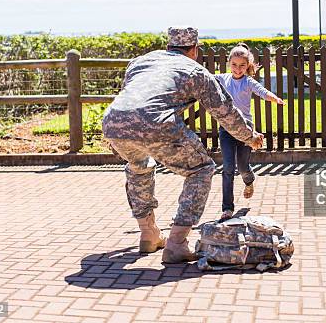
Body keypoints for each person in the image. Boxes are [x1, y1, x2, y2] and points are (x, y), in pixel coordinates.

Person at [102, 27, 264, 263]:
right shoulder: (196, 71)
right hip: (156, 122)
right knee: (201, 169)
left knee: (139, 165)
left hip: (114, 121)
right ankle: (176, 243)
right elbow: (225, 112)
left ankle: (149, 235)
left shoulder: (140, 61)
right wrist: (249, 137)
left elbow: (131, 95)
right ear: (195, 50)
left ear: (168, 46)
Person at [214, 43, 285, 221]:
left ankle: (249, 180)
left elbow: (262, 92)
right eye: (234, 65)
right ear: (229, 63)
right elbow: (204, 80)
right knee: (228, 168)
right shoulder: (222, 79)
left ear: (248, 66)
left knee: (242, 166)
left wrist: (274, 98)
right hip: (227, 129)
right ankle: (227, 208)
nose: (238, 69)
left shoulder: (248, 82)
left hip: (246, 131)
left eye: (242, 65)